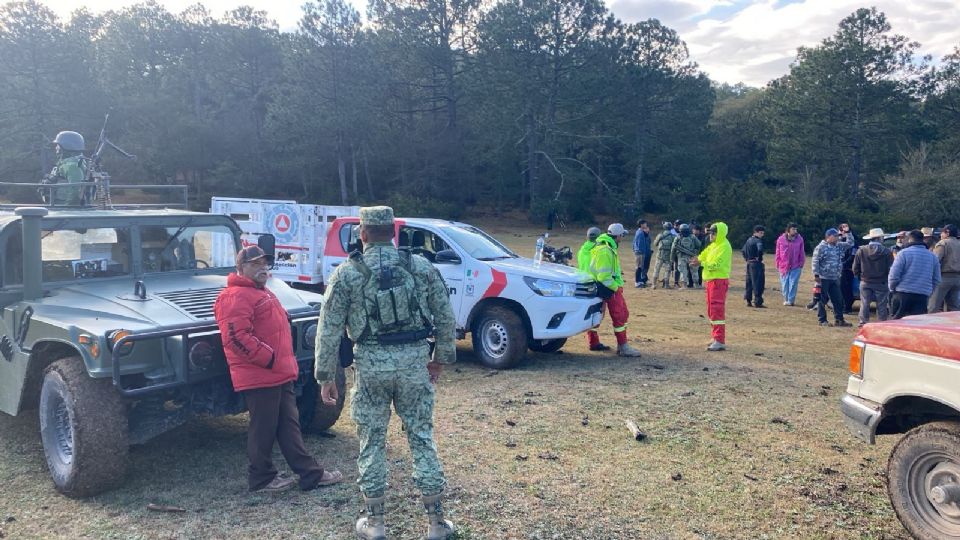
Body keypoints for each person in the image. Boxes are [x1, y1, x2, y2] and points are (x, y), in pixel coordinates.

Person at [315, 206, 457, 540]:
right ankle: (437, 524)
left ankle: (376, 523)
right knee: (421, 438)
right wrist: (440, 357)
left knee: (372, 443)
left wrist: (325, 376)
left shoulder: (346, 274)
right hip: (413, 364)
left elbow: (329, 328)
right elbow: (445, 315)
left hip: (371, 366)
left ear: (362, 234)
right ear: (393, 232)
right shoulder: (421, 266)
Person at [214, 245, 343, 493]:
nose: (263, 268)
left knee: (288, 425)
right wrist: (270, 359)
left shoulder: (261, 291)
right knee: (264, 427)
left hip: (277, 372)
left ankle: (310, 474)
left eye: (265, 263)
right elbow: (236, 338)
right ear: (240, 269)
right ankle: (261, 478)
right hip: (261, 374)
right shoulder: (235, 296)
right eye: (255, 264)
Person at [586, 224, 643, 357]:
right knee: (620, 316)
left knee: (600, 315)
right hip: (608, 287)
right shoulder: (605, 250)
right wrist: (616, 288)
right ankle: (623, 346)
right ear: (618, 236)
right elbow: (604, 276)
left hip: (603, 286)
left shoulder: (605, 247)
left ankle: (596, 342)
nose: (622, 238)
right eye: (622, 235)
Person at [691, 222, 732, 351]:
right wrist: (697, 259)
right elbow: (704, 254)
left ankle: (719, 339)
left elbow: (717, 264)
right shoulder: (714, 245)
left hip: (718, 281)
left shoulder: (724, 246)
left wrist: (701, 262)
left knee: (717, 309)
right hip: (710, 281)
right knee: (711, 309)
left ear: (719, 234)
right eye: (710, 233)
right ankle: (715, 336)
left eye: (713, 233)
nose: (711, 236)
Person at [889, 230, 941, 319]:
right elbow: (936, 279)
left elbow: (894, 275)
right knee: (917, 325)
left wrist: (892, 288)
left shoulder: (903, 253)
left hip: (902, 292)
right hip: (922, 295)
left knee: (897, 323)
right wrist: (929, 291)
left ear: (910, 240)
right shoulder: (932, 256)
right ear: (922, 240)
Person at [812, 228, 853, 327]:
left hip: (835, 277)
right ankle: (822, 320)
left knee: (838, 299)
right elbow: (815, 261)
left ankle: (839, 320)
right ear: (828, 237)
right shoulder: (821, 247)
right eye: (835, 236)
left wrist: (848, 233)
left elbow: (850, 243)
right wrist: (816, 275)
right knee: (822, 299)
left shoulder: (839, 246)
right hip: (823, 277)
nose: (837, 238)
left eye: (837, 236)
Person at [852, 228, 894, 326]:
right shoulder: (887, 252)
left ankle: (863, 322)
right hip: (881, 282)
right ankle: (881, 323)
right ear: (879, 238)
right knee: (882, 304)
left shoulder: (861, 250)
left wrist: (859, 277)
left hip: (865, 281)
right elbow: (891, 268)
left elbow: (855, 267)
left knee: (865, 303)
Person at [43, 131, 87, 206]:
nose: (56, 148)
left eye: (58, 145)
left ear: (66, 147)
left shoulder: (72, 166)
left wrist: (68, 207)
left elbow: (75, 190)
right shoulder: (69, 163)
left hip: (65, 209)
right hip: (60, 207)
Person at [929, 224, 960, 312]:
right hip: (957, 278)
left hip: (943, 277)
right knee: (954, 308)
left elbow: (935, 261)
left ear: (947, 232)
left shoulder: (943, 243)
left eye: (942, 233)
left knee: (933, 306)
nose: (940, 235)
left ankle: (930, 325)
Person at [775, 223, 805, 306]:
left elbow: (802, 252)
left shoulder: (800, 239)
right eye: (793, 229)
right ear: (788, 230)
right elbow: (778, 252)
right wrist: (777, 263)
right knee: (785, 284)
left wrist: (801, 262)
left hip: (796, 266)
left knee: (793, 283)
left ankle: (791, 300)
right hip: (783, 266)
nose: (795, 231)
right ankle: (786, 299)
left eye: (796, 229)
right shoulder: (781, 239)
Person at [742, 225, 766, 307]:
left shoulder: (748, 240)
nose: (762, 235)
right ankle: (758, 301)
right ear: (756, 232)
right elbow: (760, 249)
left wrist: (747, 259)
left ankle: (748, 300)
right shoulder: (758, 241)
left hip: (749, 263)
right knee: (758, 283)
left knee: (749, 282)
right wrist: (759, 258)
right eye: (761, 233)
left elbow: (743, 250)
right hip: (756, 264)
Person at [671, 224, 701, 288]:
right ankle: (696, 285)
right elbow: (699, 245)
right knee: (694, 271)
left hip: (682, 257)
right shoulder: (692, 237)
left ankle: (684, 285)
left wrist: (672, 259)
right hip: (692, 256)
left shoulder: (678, 237)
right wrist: (695, 252)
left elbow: (673, 249)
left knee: (683, 271)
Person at [837, 223, 857, 314]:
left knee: (846, 289)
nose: (841, 234)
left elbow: (852, 256)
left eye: (844, 231)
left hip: (848, 269)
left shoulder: (853, 242)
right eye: (841, 231)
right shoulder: (838, 242)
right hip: (839, 269)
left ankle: (847, 307)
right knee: (840, 289)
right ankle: (842, 306)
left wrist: (842, 265)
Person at [652, 222, 676, 289]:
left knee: (656, 269)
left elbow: (655, 244)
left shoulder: (660, 235)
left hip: (660, 255)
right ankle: (666, 285)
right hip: (668, 256)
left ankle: (654, 284)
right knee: (667, 270)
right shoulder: (673, 236)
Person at [632, 219, 652, 288]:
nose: (646, 225)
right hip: (640, 252)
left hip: (641, 252)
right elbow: (638, 244)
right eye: (645, 224)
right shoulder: (640, 233)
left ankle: (641, 280)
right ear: (641, 225)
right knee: (639, 267)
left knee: (641, 267)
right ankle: (637, 282)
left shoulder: (641, 232)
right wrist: (640, 251)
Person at [692, 223, 706, 287]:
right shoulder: (690, 236)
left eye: (697, 230)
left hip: (700, 255)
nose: (696, 231)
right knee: (690, 270)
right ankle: (691, 283)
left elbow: (703, 247)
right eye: (695, 229)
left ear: (700, 231)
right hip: (692, 255)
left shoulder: (703, 238)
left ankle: (699, 283)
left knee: (700, 270)